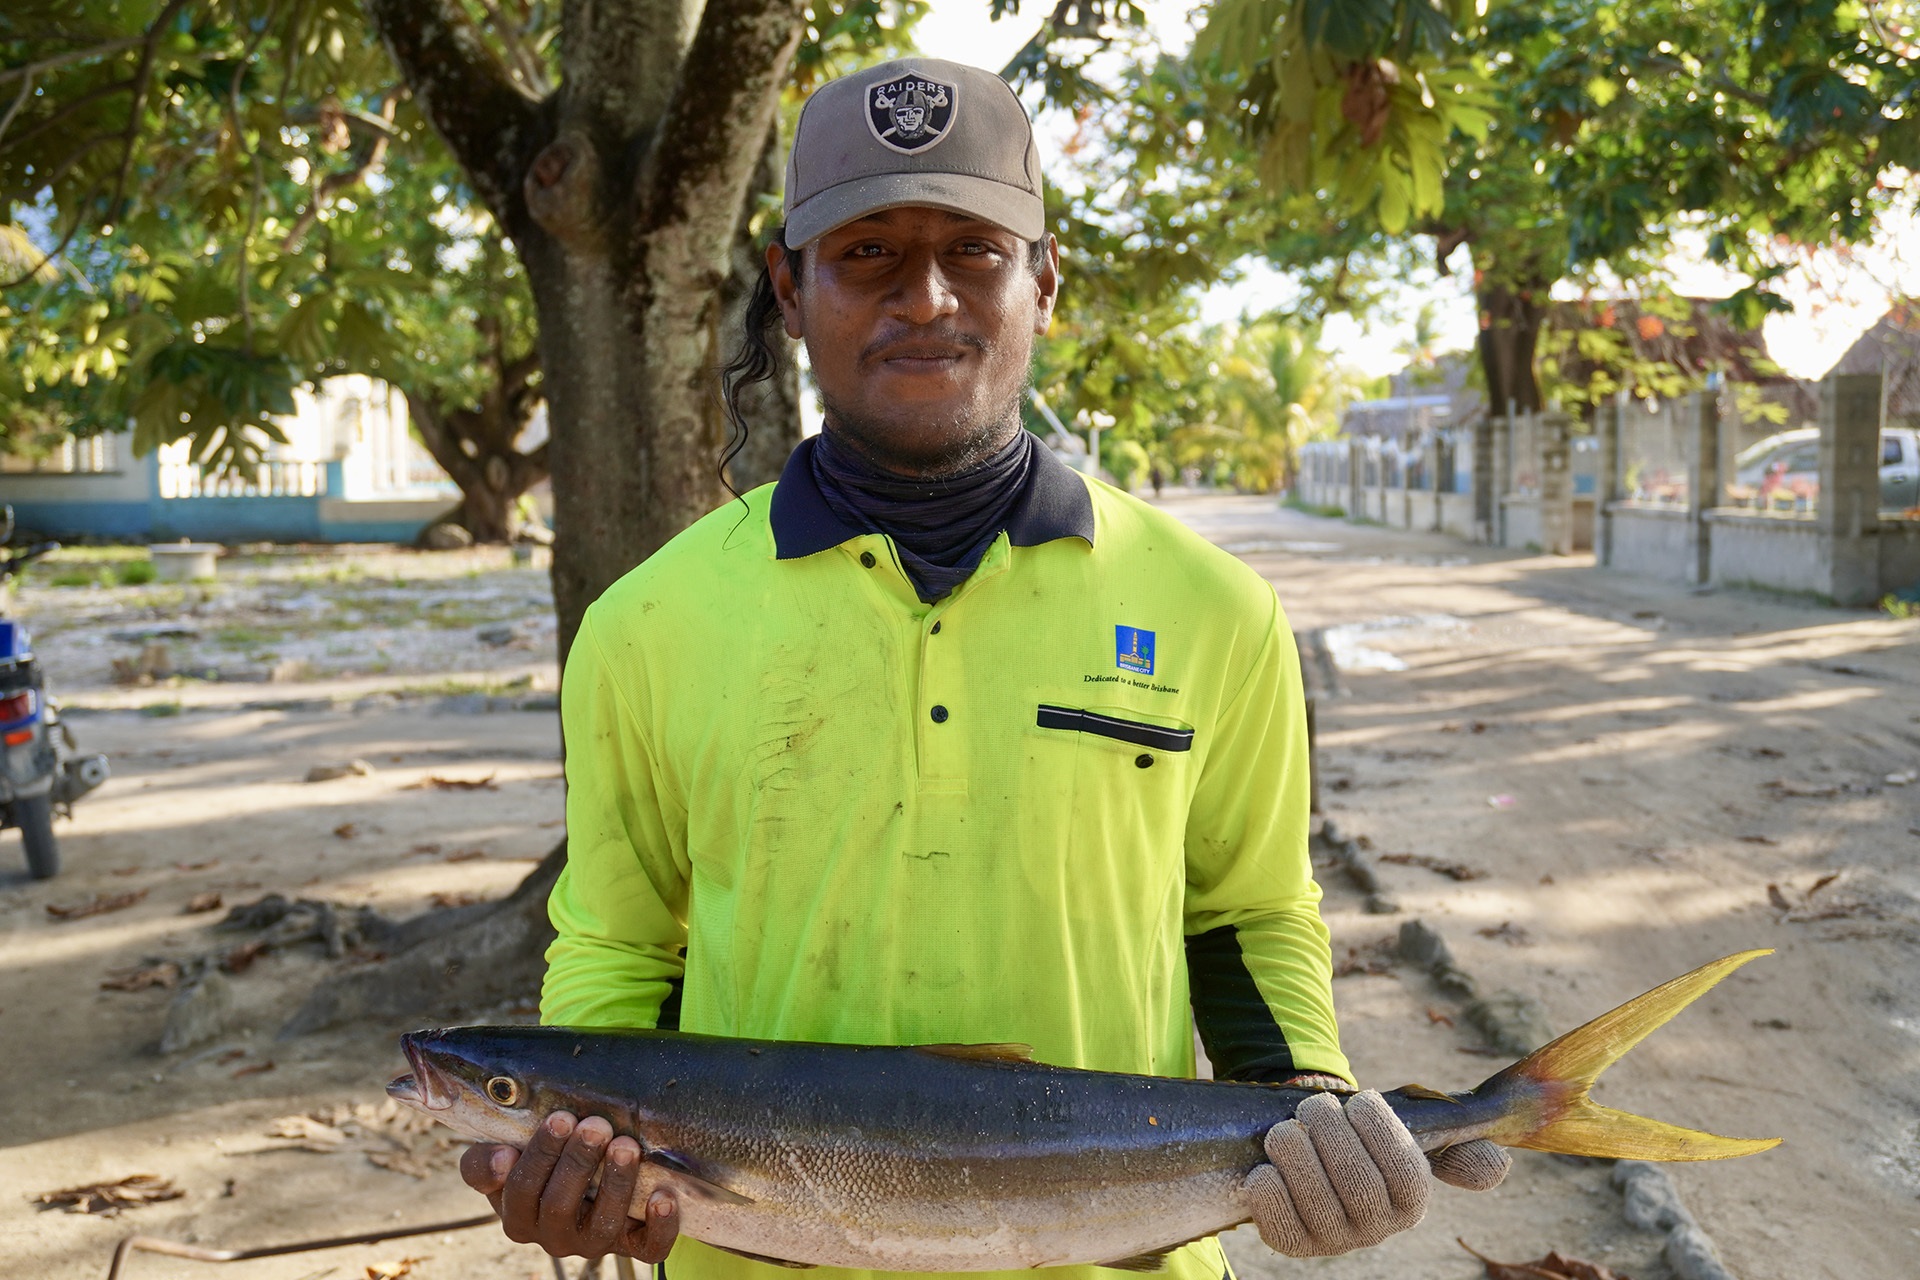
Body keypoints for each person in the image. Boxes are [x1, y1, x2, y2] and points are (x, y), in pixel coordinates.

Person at [458, 56, 1508, 1279]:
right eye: (867, 255)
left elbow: (1248, 910)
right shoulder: (647, 621)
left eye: (974, 249)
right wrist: (586, 1144)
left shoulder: (1217, 607)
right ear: (788, 290)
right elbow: (620, 942)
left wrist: (1312, 1112)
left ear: (1044, 282)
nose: (927, 298)